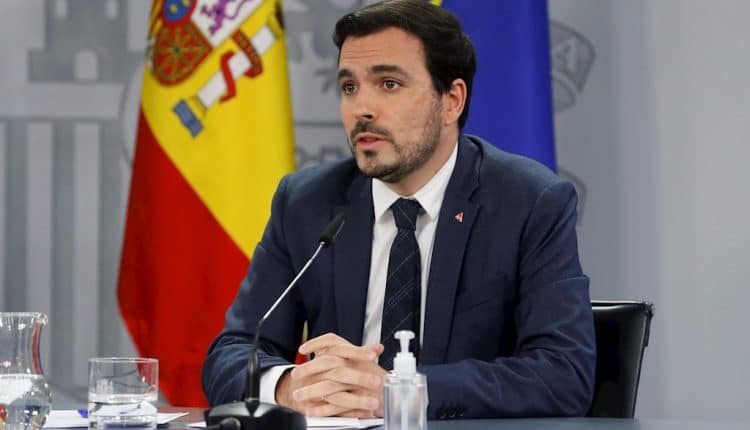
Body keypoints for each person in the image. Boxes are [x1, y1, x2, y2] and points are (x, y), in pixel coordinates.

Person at [202, 0, 595, 419]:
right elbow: (232, 352)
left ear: (451, 101)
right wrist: (287, 386)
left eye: (388, 84)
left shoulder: (529, 202)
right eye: (349, 87)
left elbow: (563, 374)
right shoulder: (306, 203)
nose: (362, 109)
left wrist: (401, 390)